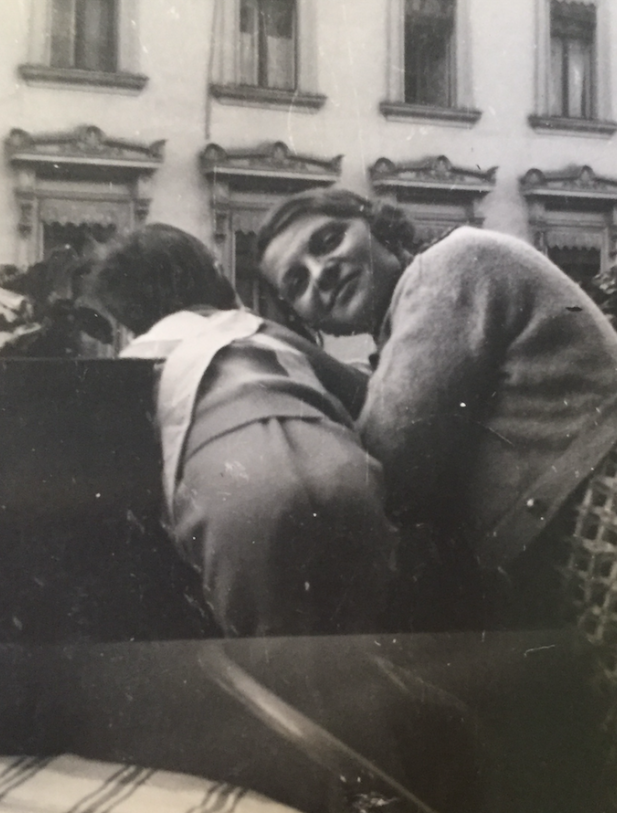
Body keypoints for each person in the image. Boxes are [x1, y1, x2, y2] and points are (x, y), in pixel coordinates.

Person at [256, 188, 617, 813]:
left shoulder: (450, 269)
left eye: (327, 240)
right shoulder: (417, 313)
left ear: (377, 226)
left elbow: (390, 461)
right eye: (296, 281)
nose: (320, 272)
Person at [91, 223, 395, 638]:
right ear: (217, 272)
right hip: (342, 472)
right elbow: (362, 394)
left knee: (268, 650)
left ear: (127, 317)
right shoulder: (254, 327)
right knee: (361, 633)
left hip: (233, 498)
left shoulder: (135, 360)